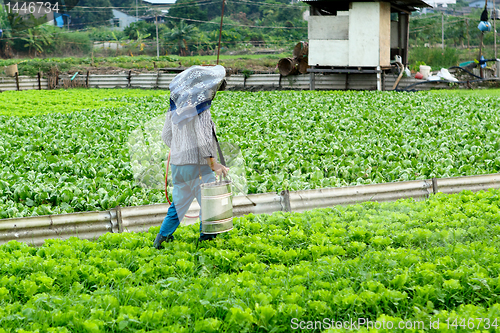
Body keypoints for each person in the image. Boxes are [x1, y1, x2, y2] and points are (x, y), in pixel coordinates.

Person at [153, 65, 228, 249]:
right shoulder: (201, 109)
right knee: (209, 204)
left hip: (179, 166)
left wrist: (180, 149)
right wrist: (213, 164)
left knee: (178, 205)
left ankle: (161, 239)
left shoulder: (175, 108)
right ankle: (207, 242)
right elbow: (204, 139)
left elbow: (166, 136)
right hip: (198, 166)